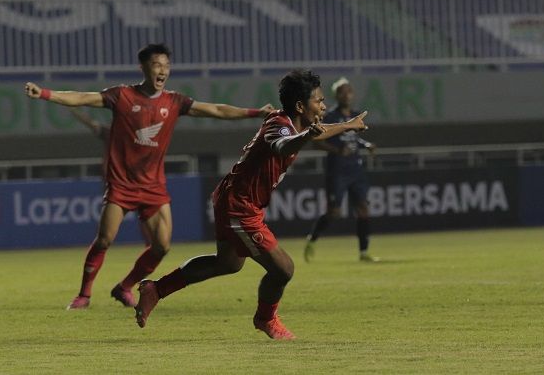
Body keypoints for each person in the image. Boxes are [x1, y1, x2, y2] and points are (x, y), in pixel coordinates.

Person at [24, 43, 274, 310]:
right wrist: (45, 94)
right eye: (157, 65)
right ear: (142, 67)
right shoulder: (122, 96)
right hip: (121, 183)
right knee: (105, 239)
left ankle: (124, 287)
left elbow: (216, 110)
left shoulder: (174, 101)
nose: (162, 70)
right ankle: (84, 295)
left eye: (166, 65)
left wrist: (255, 112)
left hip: (153, 186)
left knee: (162, 246)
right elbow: (83, 98)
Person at [133, 69, 369, 339]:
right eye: (319, 100)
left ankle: (156, 289)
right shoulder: (277, 124)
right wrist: (306, 137)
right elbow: (282, 145)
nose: (324, 105)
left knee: (228, 264)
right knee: (283, 269)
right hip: (239, 206)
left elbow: (315, 134)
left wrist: (348, 125)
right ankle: (266, 318)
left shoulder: (298, 125)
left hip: (236, 199)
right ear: (301, 106)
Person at [303, 77, 378, 263]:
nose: (346, 94)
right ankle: (312, 238)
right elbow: (316, 141)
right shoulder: (330, 117)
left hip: (355, 170)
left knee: (363, 210)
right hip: (337, 171)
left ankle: (364, 252)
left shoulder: (355, 115)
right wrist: (337, 150)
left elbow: (352, 139)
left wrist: (365, 144)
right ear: (336, 95)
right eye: (342, 91)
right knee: (334, 212)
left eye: (349, 90)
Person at [69, 108, 151, 246]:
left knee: (143, 214)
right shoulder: (111, 133)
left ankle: (149, 244)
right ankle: (100, 246)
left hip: (130, 180)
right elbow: (91, 123)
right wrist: (75, 111)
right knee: (112, 216)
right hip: (115, 181)